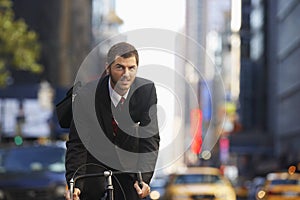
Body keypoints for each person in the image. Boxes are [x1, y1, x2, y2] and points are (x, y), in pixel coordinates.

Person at [65, 42, 160, 200]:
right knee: (88, 193)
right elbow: (77, 143)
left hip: (128, 163)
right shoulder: (87, 94)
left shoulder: (145, 91)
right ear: (108, 68)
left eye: (131, 68)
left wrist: (143, 179)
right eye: (120, 67)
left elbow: (150, 138)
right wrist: (74, 184)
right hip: (94, 162)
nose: (126, 74)